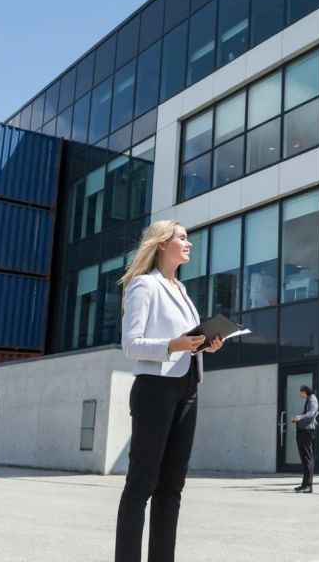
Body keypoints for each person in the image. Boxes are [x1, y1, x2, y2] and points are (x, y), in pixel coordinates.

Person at [116, 221, 225, 562]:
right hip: (155, 389)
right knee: (141, 483)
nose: (188, 243)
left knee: (172, 486)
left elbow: (184, 342)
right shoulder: (144, 286)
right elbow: (130, 345)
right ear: (162, 244)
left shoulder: (181, 290)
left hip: (188, 386)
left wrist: (204, 344)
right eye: (182, 237)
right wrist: (174, 344)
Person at [290, 385, 319, 493]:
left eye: (301, 392)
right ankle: (304, 485)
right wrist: (297, 419)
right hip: (303, 431)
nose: (300, 394)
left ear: (305, 391)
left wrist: (300, 417)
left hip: (308, 432)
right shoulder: (308, 399)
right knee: (304, 458)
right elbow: (306, 414)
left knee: (308, 458)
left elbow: (312, 413)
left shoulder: (313, 400)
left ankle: (309, 486)